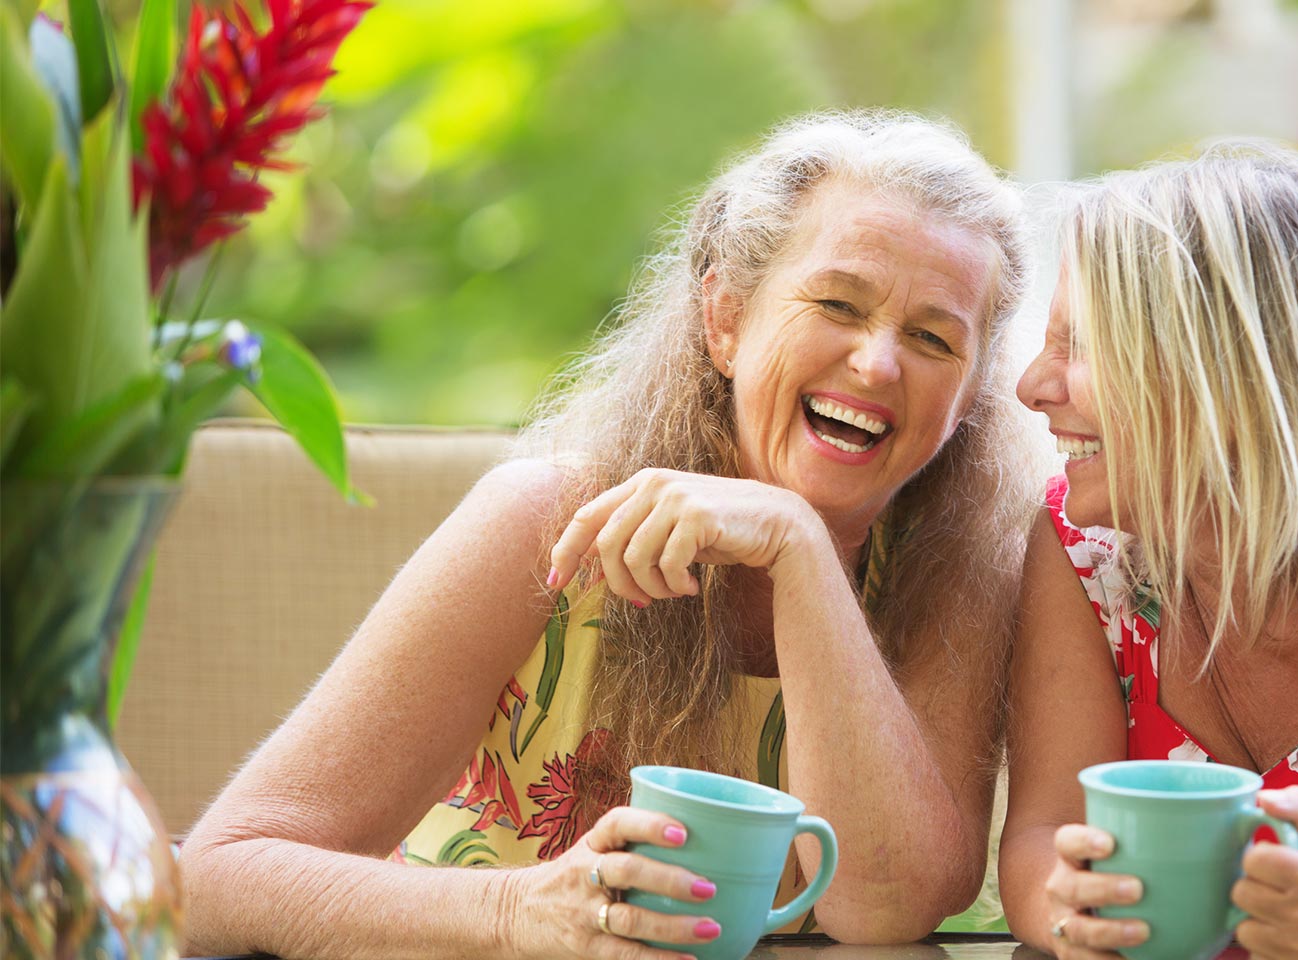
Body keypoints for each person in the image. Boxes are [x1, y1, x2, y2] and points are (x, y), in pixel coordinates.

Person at [180, 110, 1045, 959]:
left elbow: (884, 908)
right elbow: (216, 879)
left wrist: (800, 549)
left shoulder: (960, 578)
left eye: (933, 338)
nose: (878, 363)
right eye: (836, 303)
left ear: (969, 398)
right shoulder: (546, 521)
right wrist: (518, 914)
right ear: (727, 321)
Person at [999, 141, 1298, 960]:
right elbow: (1044, 836)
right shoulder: (1083, 550)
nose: (1033, 385)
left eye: (1083, 346)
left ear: (1230, 374)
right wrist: (1068, 909)